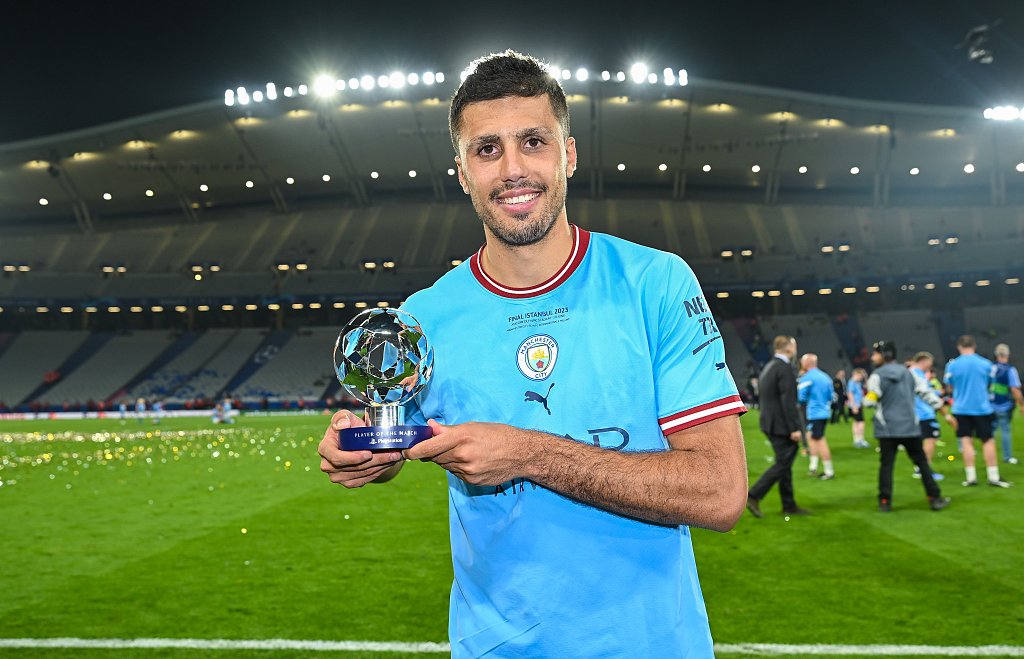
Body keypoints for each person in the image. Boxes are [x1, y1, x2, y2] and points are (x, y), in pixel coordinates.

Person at [317, 51, 747, 658]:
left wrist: (526, 454)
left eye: (534, 141)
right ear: (462, 172)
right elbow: (396, 444)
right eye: (487, 149)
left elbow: (720, 492)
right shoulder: (424, 317)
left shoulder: (655, 283)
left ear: (568, 154)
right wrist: (363, 449)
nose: (513, 168)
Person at [864, 341, 950, 512]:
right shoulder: (909, 373)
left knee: (886, 465)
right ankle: (934, 498)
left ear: (884, 354)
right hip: (910, 427)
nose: (873, 357)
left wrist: (866, 400)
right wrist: (943, 409)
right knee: (922, 464)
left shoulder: (876, 376)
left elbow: (870, 401)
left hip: (887, 429)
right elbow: (926, 393)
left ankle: (884, 501)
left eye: (875, 353)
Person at [746, 335, 810, 518]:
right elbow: (788, 401)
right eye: (794, 346)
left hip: (769, 422)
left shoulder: (770, 367)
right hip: (780, 425)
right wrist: (794, 428)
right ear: (789, 348)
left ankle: (789, 504)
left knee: (785, 462)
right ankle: (754, 495)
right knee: (784, 462)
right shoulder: (784, 369)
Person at [944, 335, 1011, 487]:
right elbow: (990, 384)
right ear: (974, 346)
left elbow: (949, 387)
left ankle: (971, 477)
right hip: (982, 408)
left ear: (959, 347)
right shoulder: (985, 364)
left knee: (966, 441)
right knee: (988, 441)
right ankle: (993, 476)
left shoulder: (952, 365)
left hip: (960, 408)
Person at [909, 352, 955, 481]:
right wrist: (945, 413)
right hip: (924, 413)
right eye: (929, 364)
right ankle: (924, 470)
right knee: (930, 440)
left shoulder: (912, 374)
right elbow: (926, 393)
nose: (930, 367)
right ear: (923, 361)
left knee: (924, 441)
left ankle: (921, 468)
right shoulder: (916, 374)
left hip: (917, 413)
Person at [798, 353, 836, 479]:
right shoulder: (826, 377)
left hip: (814, 414)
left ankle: (829, 471)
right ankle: (813, 467)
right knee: (811, 438)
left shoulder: (807, 378)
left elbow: (801, 397)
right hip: (824, 413)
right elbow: (831, 397)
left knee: (820, 440)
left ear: (806, 363)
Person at [990, 343, 1024, 464]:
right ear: (1007, 354)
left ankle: (990, 455)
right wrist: (1022, 404)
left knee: (991, 432)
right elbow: (1015, 389)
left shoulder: (989, 367)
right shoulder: (1010, 369)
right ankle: (1007, 456)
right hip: (1004, 405)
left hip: (989, 405)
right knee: (1005, 430)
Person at [848, 368, 870, 448]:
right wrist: (854, 406)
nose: (861, 377)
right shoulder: (852, 382)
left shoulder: (857, 383)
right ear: (856, 374)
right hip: (856, 405)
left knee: (856, 422)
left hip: (857, 404)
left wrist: (865, 377)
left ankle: (857, 440)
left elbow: (867, 387)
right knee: (861, 422)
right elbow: (850, 394)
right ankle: (860, 439)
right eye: (860, 375)